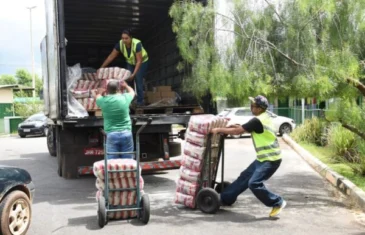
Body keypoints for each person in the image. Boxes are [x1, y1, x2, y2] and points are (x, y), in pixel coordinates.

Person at [211, 95, 286, 218]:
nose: (251, 107)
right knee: (244, 177)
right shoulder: (262, 118)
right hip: (263, 158)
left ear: (260, 108)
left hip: (271, 160)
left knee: (254, 183)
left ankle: (277, 202)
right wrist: (228, 128)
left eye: (253, 106)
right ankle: (225, 198)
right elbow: (242, 128)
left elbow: (238, 131)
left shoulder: (258, 120)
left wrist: (218, 129)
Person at [100, 29, 149, 106]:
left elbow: (139, 61)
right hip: (130, 62)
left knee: (138, 78)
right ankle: (131, 99)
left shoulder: (137, 44)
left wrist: (133, 74)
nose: (124, 40)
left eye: (126, 38)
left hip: (142, 62)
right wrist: (102, 67)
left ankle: (140, 101)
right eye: (122, 38)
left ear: (131, 38)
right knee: (127, 79)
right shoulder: (120, 44)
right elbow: (111, 57)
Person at [95, 80, 135, 159]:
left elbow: (98, 96)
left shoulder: (103, 101)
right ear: (118, 89)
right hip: (126, 133)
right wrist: (126, 86)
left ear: (107, 90)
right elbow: (132, 91)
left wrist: (100, 92)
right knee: (127, 161)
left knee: (112, 163)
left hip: (111, 134)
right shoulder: (125, 98)